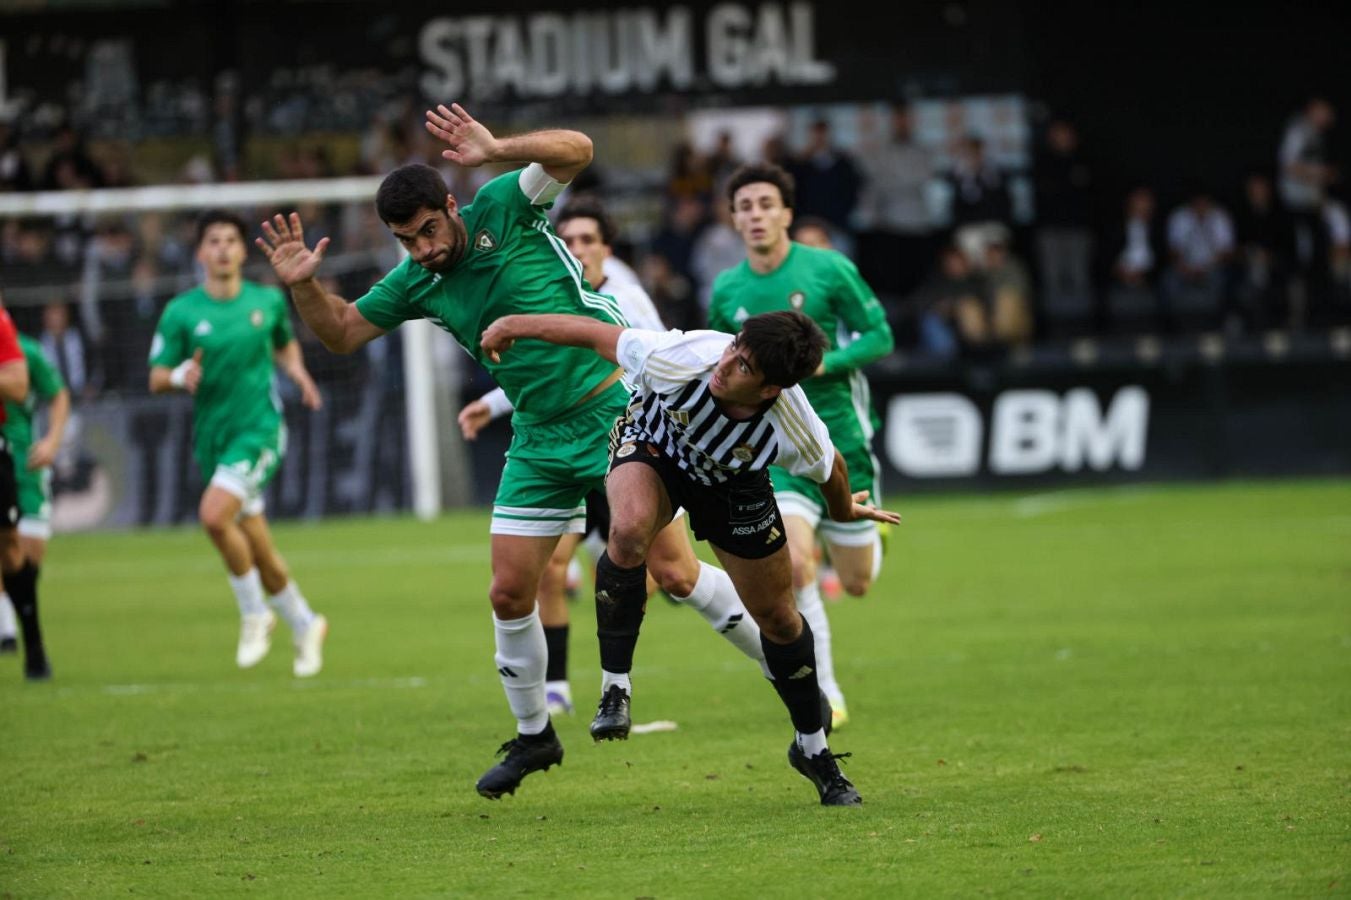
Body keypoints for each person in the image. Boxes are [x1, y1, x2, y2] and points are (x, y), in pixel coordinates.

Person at [256, 103, 765, 801]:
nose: (424, 249)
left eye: (429, 230)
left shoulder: (503, 204)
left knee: (674, 574)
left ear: (450, 206)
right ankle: (534, 736)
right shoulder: (417, 282)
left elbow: (577, 149)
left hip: (613, 408)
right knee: (506, 590)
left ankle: (791, 665)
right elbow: (341, 333)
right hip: (536, 436)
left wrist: (496, 146)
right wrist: (304, 286)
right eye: (406, 241)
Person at [480, 310, 901, 805]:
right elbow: (592, 333)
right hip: (653, 447)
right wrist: (514, 325)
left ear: (770, 390)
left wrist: (842, 513)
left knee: (780, 620)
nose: (726, 364)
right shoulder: (684, 358)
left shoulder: (792, 423)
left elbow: (832, 468)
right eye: (734, 348)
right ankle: (615, 689)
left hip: (733, 485)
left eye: (743, 366)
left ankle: (812, 748)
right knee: (629, 530)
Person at [456, 196, 672, 718]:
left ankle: (621, 674)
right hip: (558, 447)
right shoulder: (548, 290)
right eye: (567, 240)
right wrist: (490, 404)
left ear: (606, 249)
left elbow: (661, 361)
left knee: (673, 574)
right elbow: (547, 376)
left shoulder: (625, 297)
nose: (576, 249)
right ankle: (555, 688)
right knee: (549, 569)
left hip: (627, 440)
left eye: (586, 241)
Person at [707, 163, 895, 730]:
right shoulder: (727, 290)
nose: (756, 214)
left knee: (858, 582)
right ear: (734, 218)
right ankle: (827, 694)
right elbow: (721, 359)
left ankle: (862, 534)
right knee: (794, 564)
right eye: (745, 206)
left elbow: (881, 336)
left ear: (786, 213)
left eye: (766, 203)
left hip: (842, 442)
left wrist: (818, 365)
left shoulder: (829, 269)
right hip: (778, 447)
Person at [148, 210, 327, 678]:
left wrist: (298, 372)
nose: (223, 248)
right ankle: (305, 622)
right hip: (214, 439)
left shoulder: (266, 301)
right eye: (214, 240)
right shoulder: (181, 312)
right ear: (200, 252)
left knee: (213, 516)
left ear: (243, 251)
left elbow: (284, 343)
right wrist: (180, 374)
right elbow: (156, 377)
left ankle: (254, 614)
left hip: (259, 431)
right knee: (261, 553)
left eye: (231, 239)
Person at [0, 331, 68, 675]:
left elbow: (57, 396)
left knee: (26, 554)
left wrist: (52, 441)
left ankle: (21, 631)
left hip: (24, 465)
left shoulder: (27, 352)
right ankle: (9, 632)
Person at [0, 295, 35, 676]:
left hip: (13, 455)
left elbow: (19, 385)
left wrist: (53, 439)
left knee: (11, 545)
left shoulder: (4, 327)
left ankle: (32, 643)